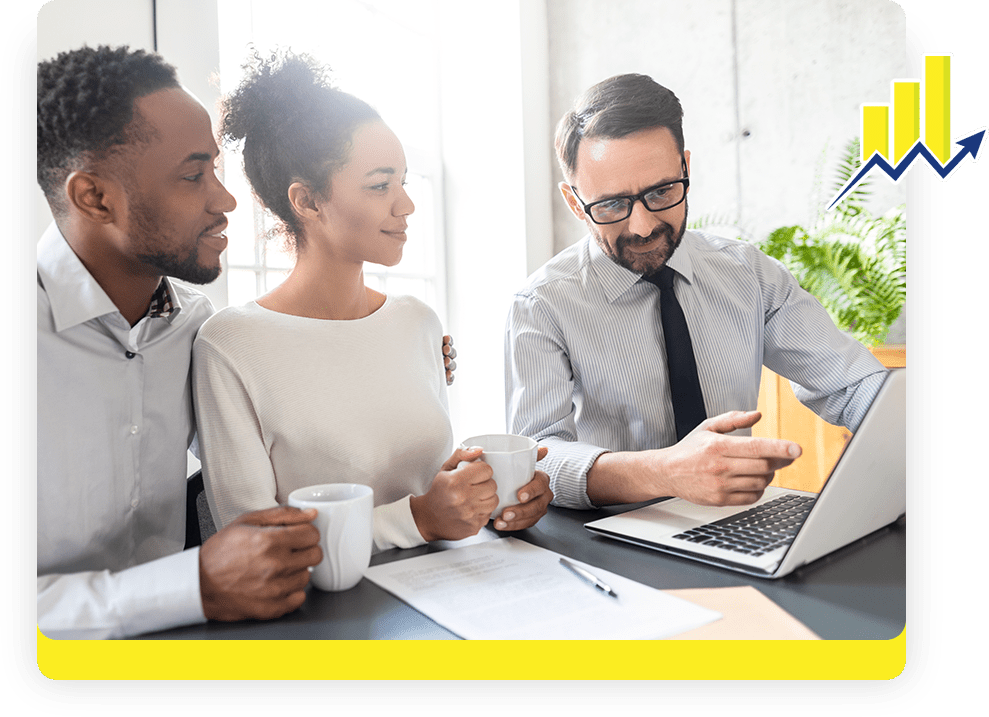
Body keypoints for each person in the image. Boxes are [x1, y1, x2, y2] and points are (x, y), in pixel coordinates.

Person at [192, 51, 552, 552]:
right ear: (307, 201)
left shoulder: (418, 322)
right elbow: (253, 544)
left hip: (454, 588)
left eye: (402, 181)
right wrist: (421, 518)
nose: (405, 205)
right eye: (380, 185)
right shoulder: (231, 345)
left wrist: (492, 503)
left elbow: (431, 497)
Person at [36, 45, 328, 640]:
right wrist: (193, 584)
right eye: (193, 175)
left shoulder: (196, 326)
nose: (224, 201)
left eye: (214, 170)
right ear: (94, 197)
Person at [505, 73, 888, 510]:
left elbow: (851, 386)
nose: (643, 226)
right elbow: (538, 456)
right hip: (605, 539)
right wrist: (665, 472)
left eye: (662, 191)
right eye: (611, 205)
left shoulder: (749, 274)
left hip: (732, 525)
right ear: (575, 202)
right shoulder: (542, 305)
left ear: (686, 168)